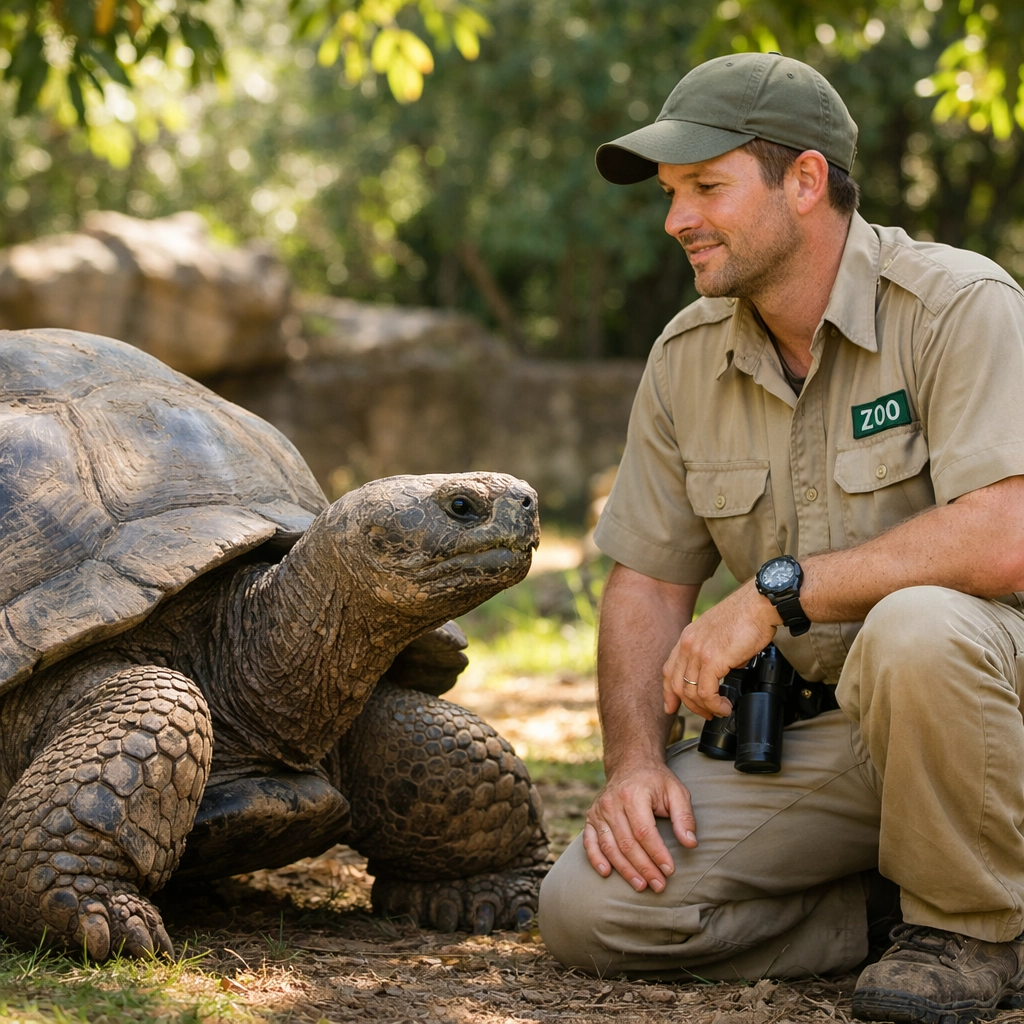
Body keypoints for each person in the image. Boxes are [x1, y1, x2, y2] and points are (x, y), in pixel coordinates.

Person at [537, 51, 1024, 1024]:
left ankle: (973, 931)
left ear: (804, 181)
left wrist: (774, 592)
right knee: (589, 910)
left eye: (705, 187)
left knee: (916, 626)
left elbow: (1005, 533)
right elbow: (645, 584)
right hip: (830, 736)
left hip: (992, 717)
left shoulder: (959, 305)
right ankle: (900, 905)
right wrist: (632, 762)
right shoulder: (684, 358)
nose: (677, 219)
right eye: (672, 193)